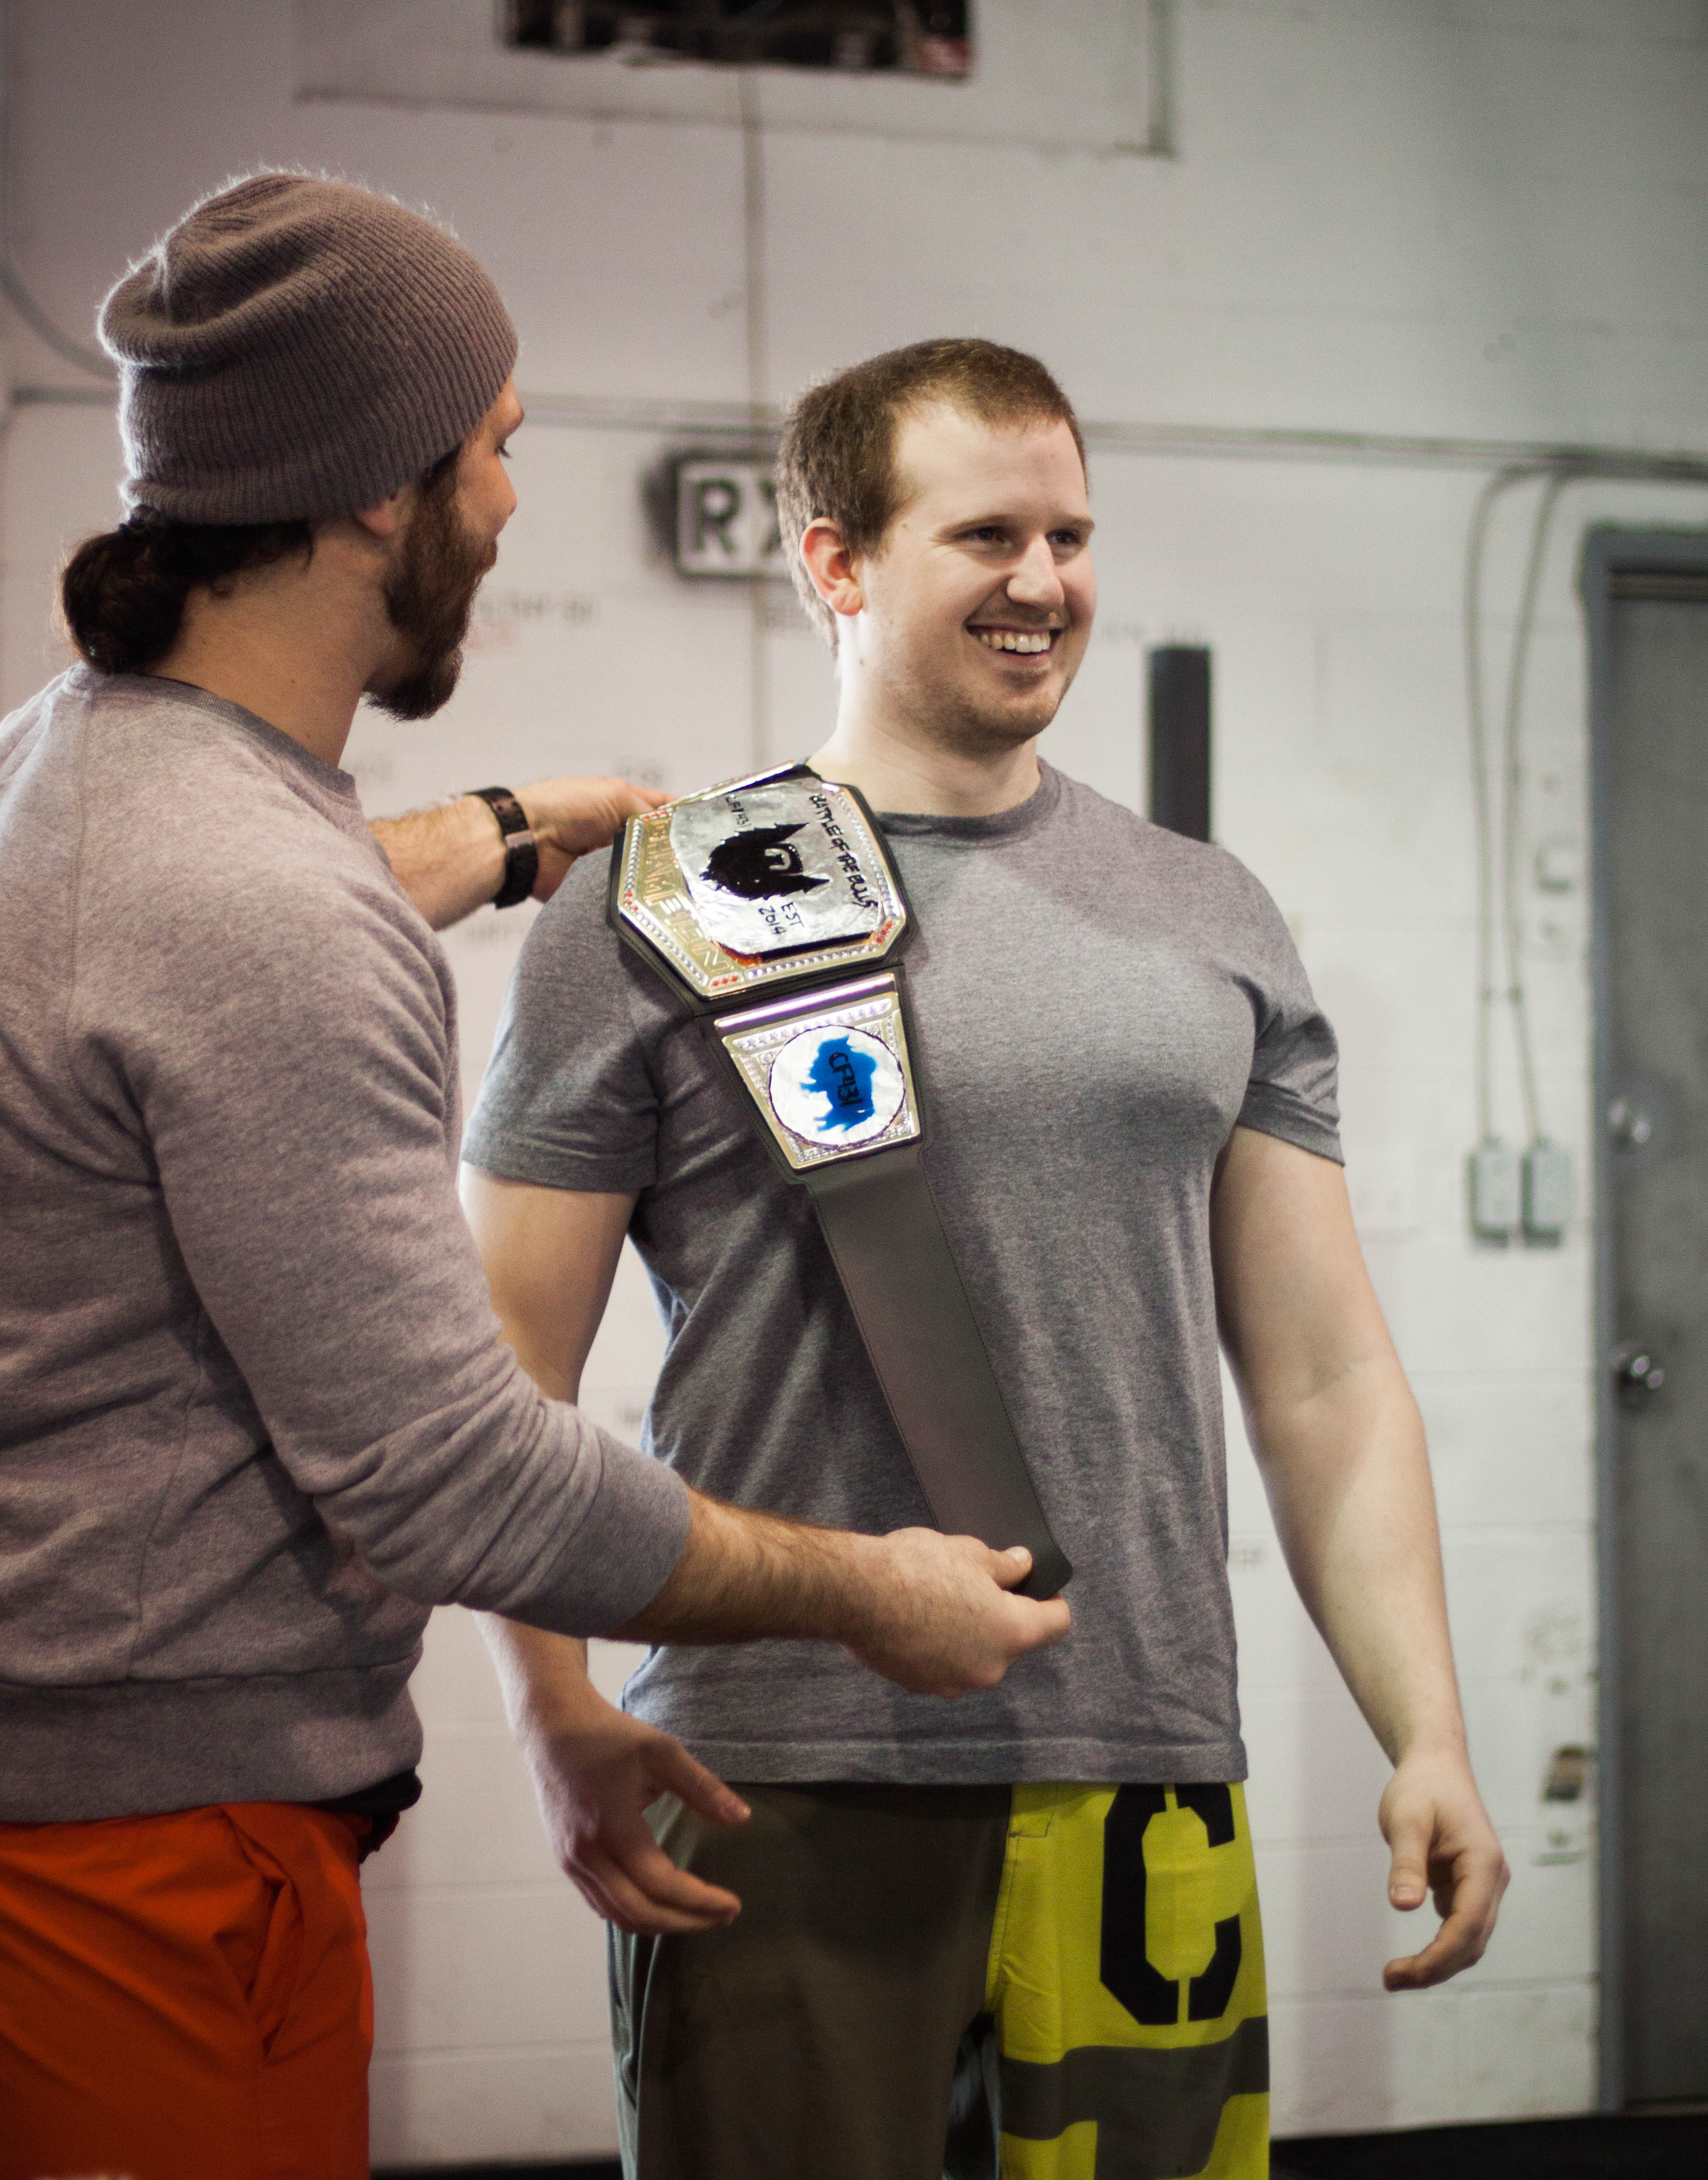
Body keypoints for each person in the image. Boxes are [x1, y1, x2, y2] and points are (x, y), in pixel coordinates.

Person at [0, 195, 1068, 2180]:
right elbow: (448, 1480)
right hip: (137, 1870)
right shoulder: (256, 908)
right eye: (493, 447)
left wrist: (501, 830)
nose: (507, 501)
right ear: (373, 492)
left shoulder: (73, 774)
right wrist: (868, 1593)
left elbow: (189, 928)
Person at [460, 338, 1510, 2180]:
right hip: (780, 1770)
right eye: (986, 536)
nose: (1044, 581)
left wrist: (1428, 1729)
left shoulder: (1210, 912)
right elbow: (497, 1382)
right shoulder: (659, 902)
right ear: (836, 562)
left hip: (1148, 1764)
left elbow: (1327, 1377)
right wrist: (551, 1711)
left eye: (1071, 536)